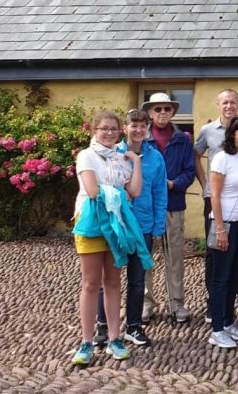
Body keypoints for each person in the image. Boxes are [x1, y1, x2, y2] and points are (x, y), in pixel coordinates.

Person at [70, 111, 145, 365]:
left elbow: (134, 190)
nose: (110, 133)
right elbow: (92, 190)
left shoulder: (122, 158)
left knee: (113, 282)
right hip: (91, 224)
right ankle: (86, 341)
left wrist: (136, 162)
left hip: (116, 227)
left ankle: (115, 337)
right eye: (104, 128)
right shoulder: (86, 156)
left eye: (114, 128)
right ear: (95, 130)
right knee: (91, 283)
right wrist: (119, 193)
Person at [93, 109, 166, 348]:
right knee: (108, 280)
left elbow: (159, 194)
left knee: (137, 279)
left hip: (142, 226)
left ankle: (134, 326)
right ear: (126, 128)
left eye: (142, 126)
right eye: (133, 125)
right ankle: (102, 326)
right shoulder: (114, 153)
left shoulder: (155, 158)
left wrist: (158, 225)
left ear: (147, 128)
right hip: (117, 225)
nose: (138, 130)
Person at [195, 89, 238, 321]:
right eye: (225, 102)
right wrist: (204, 184)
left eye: (233, 102)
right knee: (216, 256)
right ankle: (215, 305)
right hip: (216, 200)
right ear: (218, 105)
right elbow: (196, 154)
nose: (229, 106)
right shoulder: (208, 132)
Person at [141, 92, 195, 324]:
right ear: (150, 112)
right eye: (157, 109)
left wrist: (174, 183)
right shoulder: (141, 138)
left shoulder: (182, 139)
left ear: (173, 112)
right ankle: (145, 302)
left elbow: (190, 171)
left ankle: (176, 301)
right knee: (144, 256)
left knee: (174, 256)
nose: (162, 113)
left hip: (173, 204)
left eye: (167, 109)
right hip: (145, 207)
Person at [206, 114, 238, 349]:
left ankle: (228, 323)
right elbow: (214, 196)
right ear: (232, 134)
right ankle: (217, 329)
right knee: (221, 277)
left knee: (236, 275)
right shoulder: (221, 158)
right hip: (223, 222)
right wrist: (219, 229)